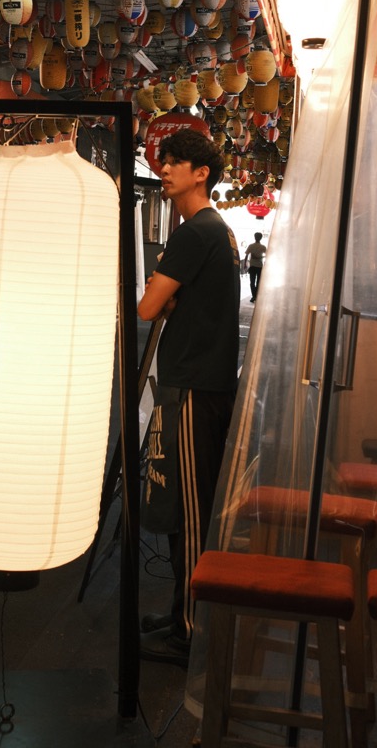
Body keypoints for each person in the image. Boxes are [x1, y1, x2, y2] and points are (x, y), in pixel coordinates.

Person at [137, 129, 240, 667]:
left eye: (176, 161)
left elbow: (148, 307)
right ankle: (182, 611)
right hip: (203, 382)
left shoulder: (195, 231)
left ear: (202, 174)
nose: (165, 168)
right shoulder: (215, 231)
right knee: (182, 503)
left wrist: (161, 289)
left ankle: (191, 630)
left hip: (196, 386)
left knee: (192, 510)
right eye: (164, 160)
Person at [244, 232, 267, 302]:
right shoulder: (263, 247)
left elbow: (246, 255)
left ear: (254, 237)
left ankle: (254, 296)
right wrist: (260, 257)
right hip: (259, 266)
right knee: (258, 282)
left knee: (252, 282)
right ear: (261, 238)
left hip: (252, 266)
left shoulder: (251, 246)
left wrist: (245, 264)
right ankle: (255, 295)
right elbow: (268, 255)